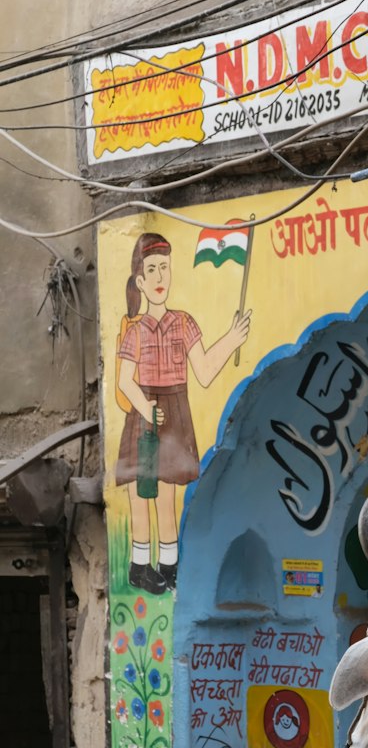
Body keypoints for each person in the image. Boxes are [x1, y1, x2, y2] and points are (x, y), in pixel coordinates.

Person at [114, 231, 251, 593]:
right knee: (138, 493)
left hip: (174, 408)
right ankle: (139, 565)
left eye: (165, 268)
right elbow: (126, 381)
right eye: (152, 270)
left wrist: (232, 339)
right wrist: (145, 408)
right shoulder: (135, 331)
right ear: (140, 282)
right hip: (144, 413)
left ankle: (168, 565)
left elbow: (204, 371)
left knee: (167, 494)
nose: (160, 277)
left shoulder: (184, 322)